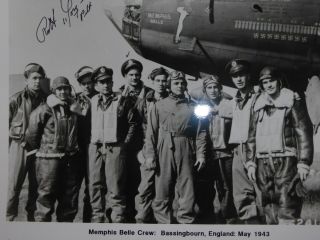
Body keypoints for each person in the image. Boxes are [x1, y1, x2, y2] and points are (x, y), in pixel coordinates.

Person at [246, 66, 313, 224]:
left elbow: (303, 131)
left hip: (286, 162)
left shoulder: (291, 100)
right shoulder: (257, 104)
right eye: (265, 82)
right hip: (263, 163)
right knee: (269, 207)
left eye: (272, 81)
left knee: (287, 206)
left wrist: (303, 163)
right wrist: (250, 163)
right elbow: (251, 136)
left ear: (279, 81)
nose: (268, 85)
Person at [145, 70, 207, 224]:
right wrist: (150, 155)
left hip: (186, 146)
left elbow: (201, 132)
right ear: (170, 85)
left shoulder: (194, 106)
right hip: (164, 147)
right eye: (176, 83)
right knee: (162, 188)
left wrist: (201, 154)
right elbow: (151, 133)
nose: (179, 86)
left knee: (187, 188)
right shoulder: (158, 105)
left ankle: (186, 222)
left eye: (182, 83)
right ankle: (163, 224)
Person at [25, 76, 83, 222]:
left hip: (70, 159)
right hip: (48, 161)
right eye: (60, 89)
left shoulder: (74, 109)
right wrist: (45, 150)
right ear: (54, 91)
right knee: (45, 197)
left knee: (69, 199)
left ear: (70, 90)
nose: (63, 92)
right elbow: (32, 134)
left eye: (66, 88)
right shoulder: (44, 109)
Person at [88, 66, 139, 223]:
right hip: (95, 147)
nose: (105, 85)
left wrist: (124, 145)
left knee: (115, 187)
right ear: (96, 84)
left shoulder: (122, 100)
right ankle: (97, 220)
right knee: (95, 186)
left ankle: (117, 222)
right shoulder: (92, 100)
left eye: (108, 81)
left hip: (115, 147)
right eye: (101, 82)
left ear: (112, 82)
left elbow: (133, 124)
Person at [7, 63, 47, 221]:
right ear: (26, 80)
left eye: (40, 78)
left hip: (39, 149)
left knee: (36, 188)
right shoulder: (15, 99)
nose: (37, 81)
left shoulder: (47, 99)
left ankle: (32, 221)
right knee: (13, 187)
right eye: (34, 78)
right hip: (19, 148)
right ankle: (8, 220)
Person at [225, 59, 264, 224]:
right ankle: (251, 226)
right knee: (241, 194)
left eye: (242, 75)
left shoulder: (261, 97)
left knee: (262, 191)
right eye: (235, 76)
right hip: (238, 150)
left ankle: (268, 227)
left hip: (256, 149)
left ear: (249, 76)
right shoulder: (233, 101)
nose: (239, 79)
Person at [197, 74, 237, 223]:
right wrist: (201, 154)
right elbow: (201, 132)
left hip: (226, 153)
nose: (213, 90)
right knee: (206, 187)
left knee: (226, 187)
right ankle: (208, 218)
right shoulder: (201, 107)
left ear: (220, 89)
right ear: (205, 90)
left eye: (215, 87)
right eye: (209, 87)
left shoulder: (229, 104)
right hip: (209, 154)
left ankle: (228, 217)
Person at [119, 59, 153, 221]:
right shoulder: (119, 94)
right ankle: (127, 217)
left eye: (137, 75)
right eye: (131, 75)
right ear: (125, 76)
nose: (134, 78)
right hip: (124, 145)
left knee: (143, 184)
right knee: (124, 182)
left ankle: (145, 217)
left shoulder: (149, 94)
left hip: (144, 144)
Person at [134, 67, 169, 223]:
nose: (161, 84)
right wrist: (142, 151)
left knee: (165, 188)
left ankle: (162, 222)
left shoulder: (171, 100)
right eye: (158, 81)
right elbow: (137, 125)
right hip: (148, 148)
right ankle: (142, 220)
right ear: (152, 82)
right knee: (145, 187)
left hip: (167, 149)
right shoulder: (144, 102)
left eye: (164, 81)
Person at [74, 66, 97, 222]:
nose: (87, 86)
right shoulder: (74, 99)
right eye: (84, 83)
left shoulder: (100, 98)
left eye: (90, 82)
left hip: (93, 148)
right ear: (80, 84)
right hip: (77, 149)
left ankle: (87, 222)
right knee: (73, 187)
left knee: (92, 187)